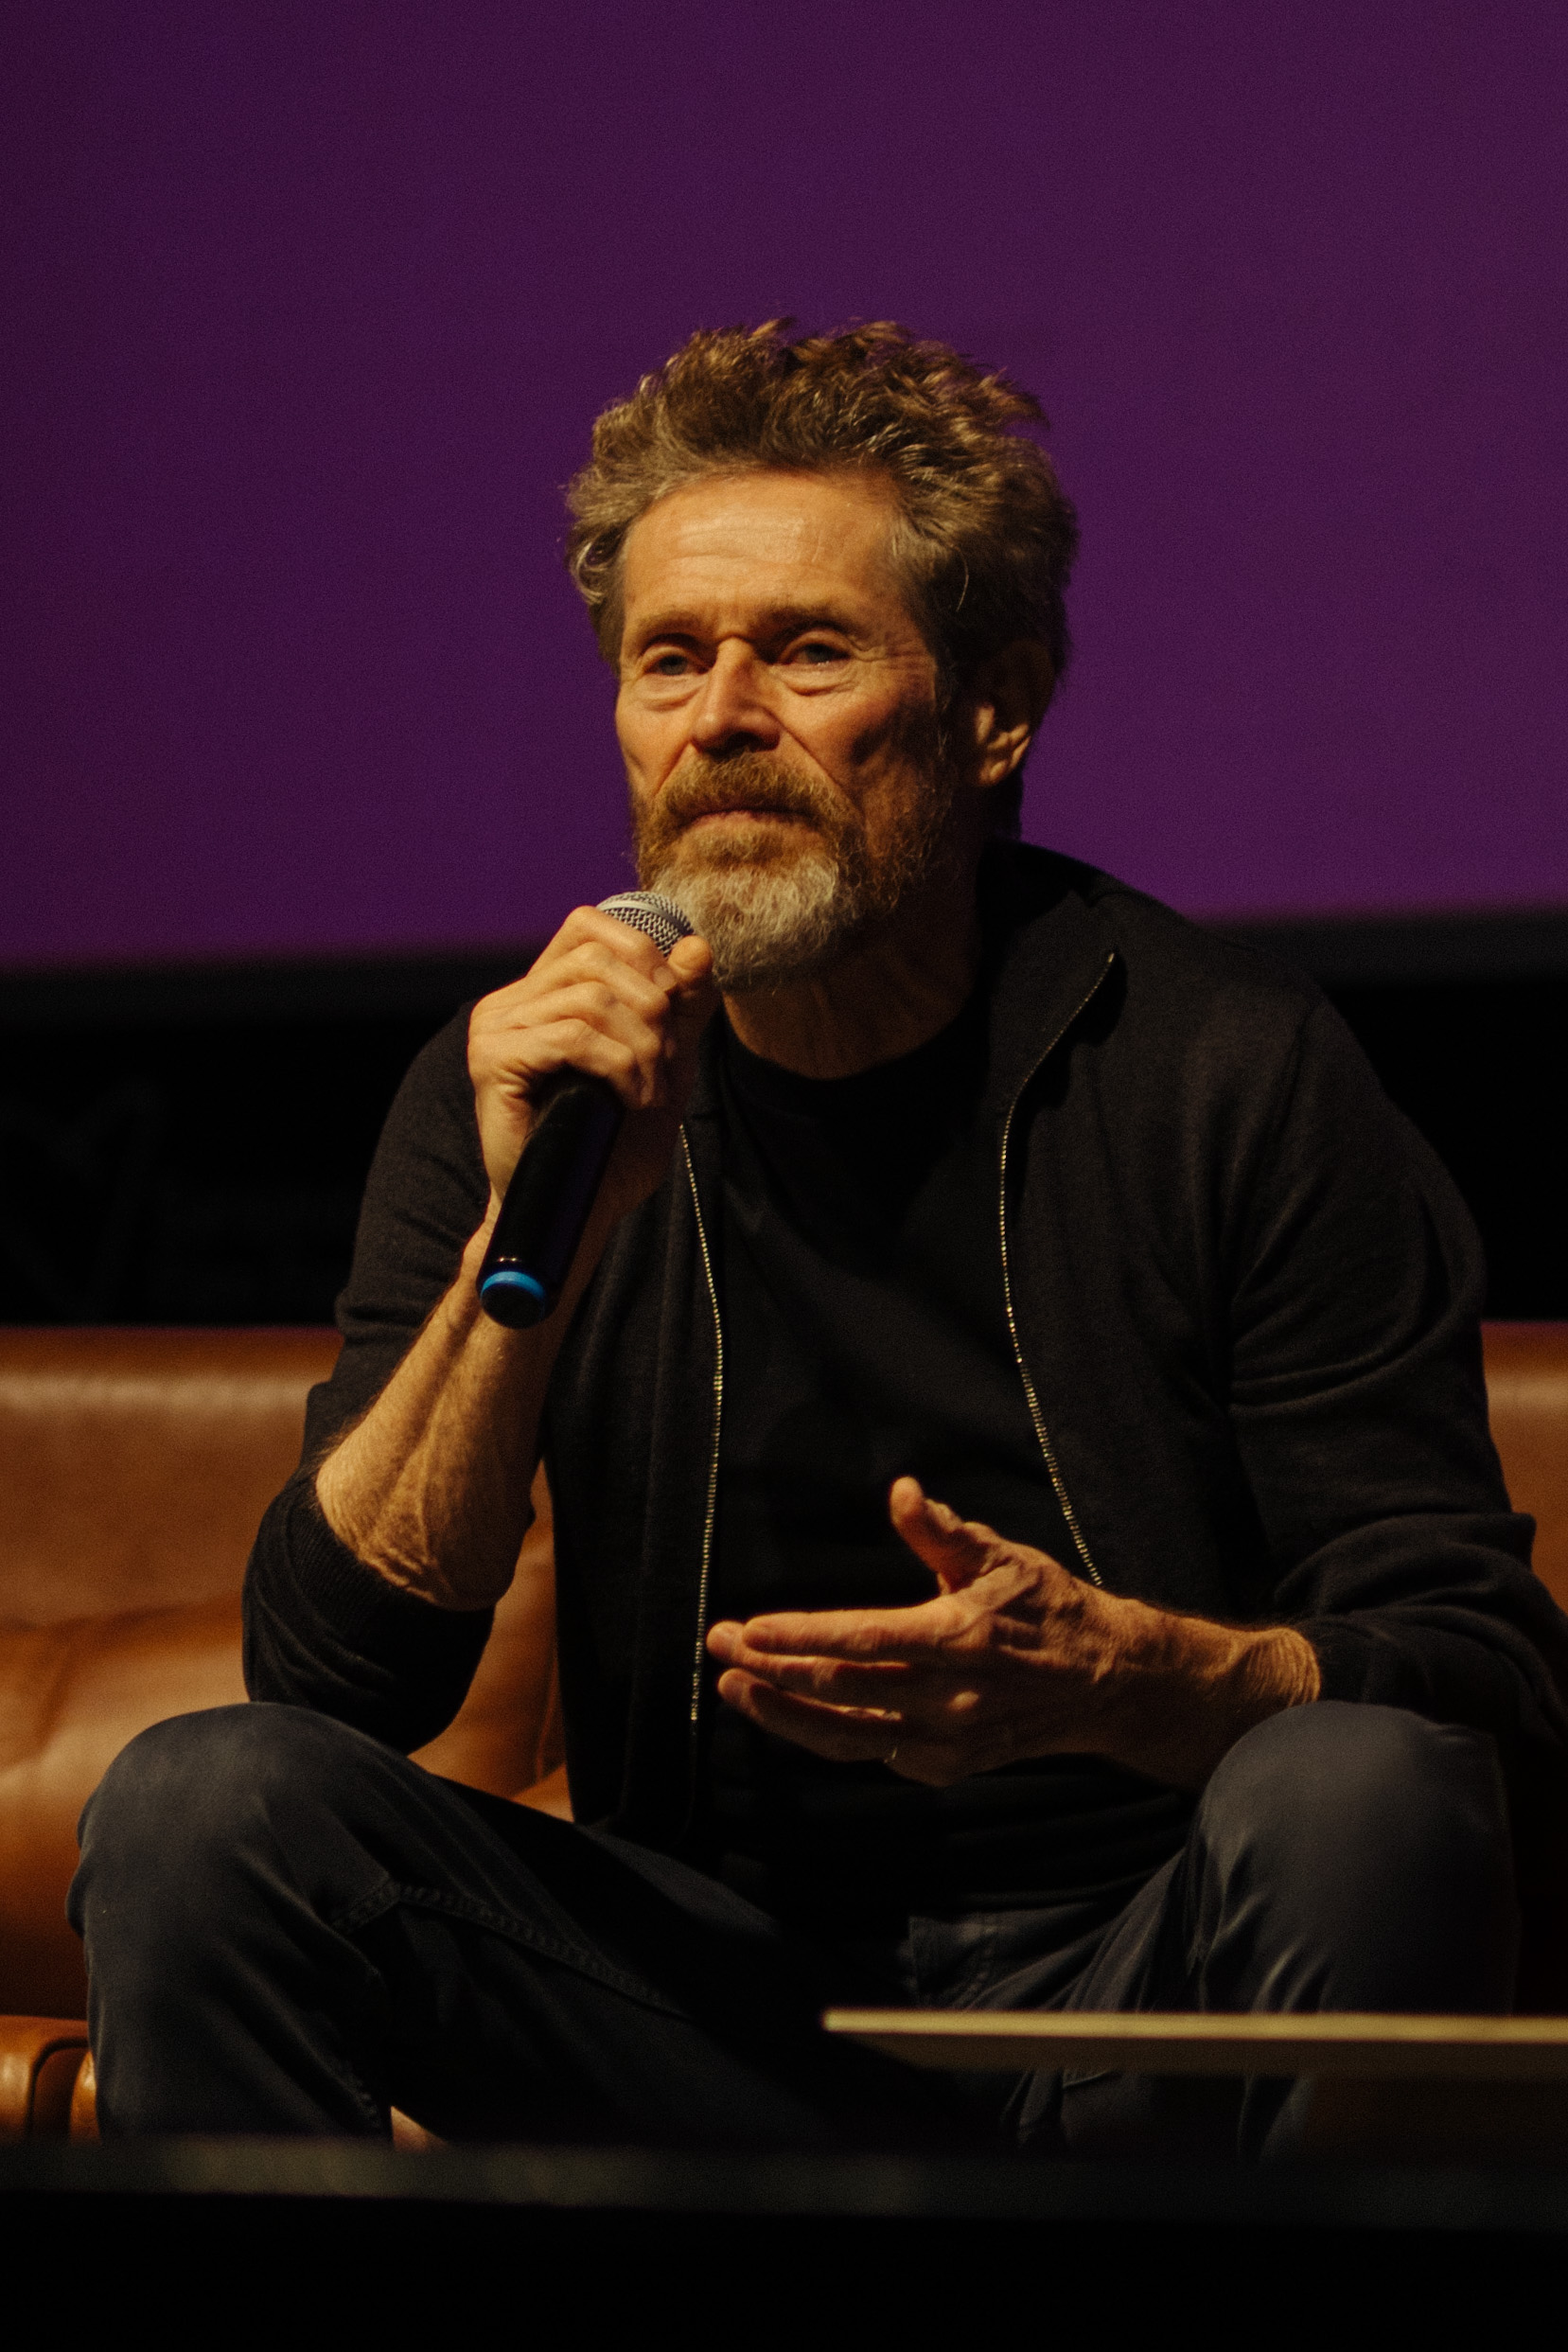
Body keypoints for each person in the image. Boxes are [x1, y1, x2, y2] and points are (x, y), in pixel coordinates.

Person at [71, 323, 1568, 2159]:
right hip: (716, 2015)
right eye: (668, 659)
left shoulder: (1222, 1070)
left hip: (1159, 1990)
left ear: (994, 710)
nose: (719, 717)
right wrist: (523, 1259)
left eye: (805, 651)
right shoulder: (530, 1084)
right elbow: (337, 1681)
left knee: (1359, 1787)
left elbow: (1480, 1691)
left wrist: (1136, 1681)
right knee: (205, 1811)